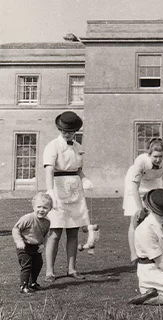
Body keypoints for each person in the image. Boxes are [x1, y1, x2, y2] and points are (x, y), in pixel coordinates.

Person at [43, 111, 93, 282]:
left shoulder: (78, 147)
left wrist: (84, 178)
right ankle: (50, 271)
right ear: (59, 129)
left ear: (75, 131)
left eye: (70, 131)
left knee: (73, 231)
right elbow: (49, 170)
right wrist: (50, 192)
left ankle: (71, 269)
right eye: (64, 130)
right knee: (55, 232)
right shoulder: (52, 146)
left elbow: (78, 169)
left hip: (75, 190)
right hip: (57, 188)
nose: (67, 133)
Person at [123, 138, 163, 263]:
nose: (158, 159)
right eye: (155, 156)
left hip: (152, 184)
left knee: (156, 219)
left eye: (160, 156)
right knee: (136, 219)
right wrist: (140, 209)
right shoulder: (141, 161)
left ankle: (156, 251)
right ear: (149, 154)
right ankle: (134, 254)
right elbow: (134, 186)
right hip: (135, 185)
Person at [12, 193, 52, 293]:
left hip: (36, 247)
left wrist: (43, 244)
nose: (41, 210)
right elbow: (16, 229)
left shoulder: (47, 221)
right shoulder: (28, 218)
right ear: (33, 206)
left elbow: (45, 234)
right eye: (39, 207)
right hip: (24, 246)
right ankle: (24, 285)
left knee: (38, 264)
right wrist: (19, 241)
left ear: (50, 209)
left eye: (45, 208)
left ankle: (32, 283)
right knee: (27, 265)